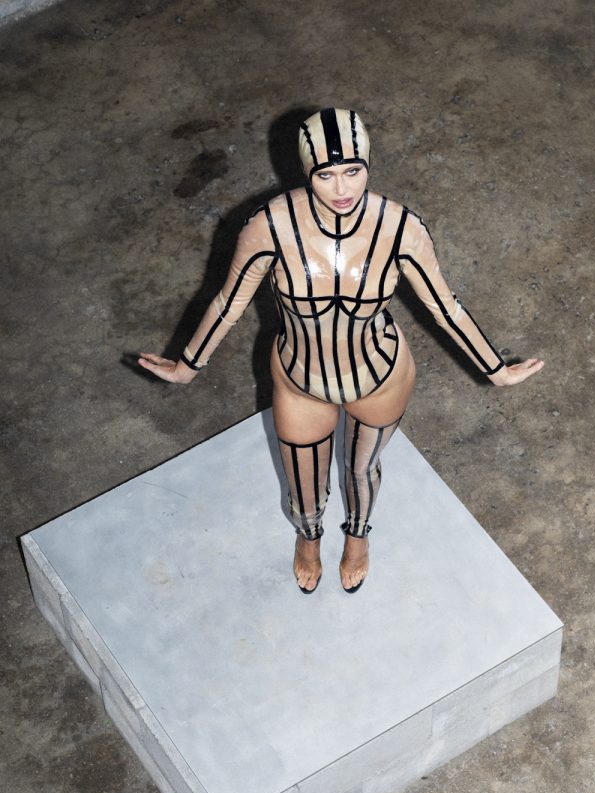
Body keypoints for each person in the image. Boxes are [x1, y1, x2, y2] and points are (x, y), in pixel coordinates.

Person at [139, 108, 544, 595]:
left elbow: (445, 307)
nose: (341, 188)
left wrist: (496, 370)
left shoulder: (400, 228)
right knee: (303, 485)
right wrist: (187, 366)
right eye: (325, 175)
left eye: (353, 171)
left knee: (361, 470)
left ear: (368, 164)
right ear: (306, 171)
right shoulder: (270, 226)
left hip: (380, 374)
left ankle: (358, 536)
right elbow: (229, 301)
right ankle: (308, 537)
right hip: (300, 380)